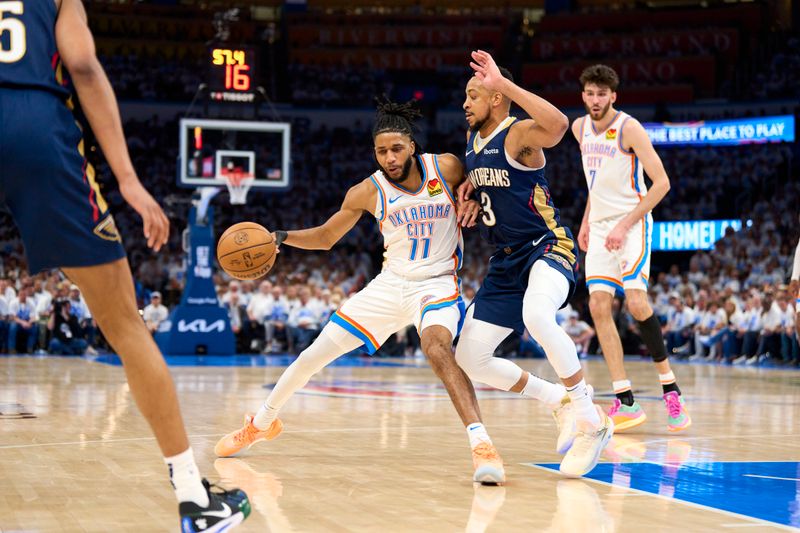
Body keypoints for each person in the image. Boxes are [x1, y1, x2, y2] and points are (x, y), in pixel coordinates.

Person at [0, 0, 249, 529]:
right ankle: (193, 498)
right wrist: (129, 182)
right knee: (124, 326)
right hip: (33, 126)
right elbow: (84, 67)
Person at [216, 99, 509, 484]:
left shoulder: (447, 167)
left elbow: (487, 175)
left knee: (437, 347)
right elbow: (325, 238)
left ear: (412, 146)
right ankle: (262, 423)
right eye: (381, 151)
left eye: (396, 149)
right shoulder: (366, 191)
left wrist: (469, 194)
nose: (389, 157)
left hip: (437, 282)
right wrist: (280, 238)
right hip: (390, 285)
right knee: (311, 356)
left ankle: (482, 446)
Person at [455, 50, 612, 478]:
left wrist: (503, 82)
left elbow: (559, 126)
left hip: (548, 245)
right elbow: (486, 176)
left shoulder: (518, 133)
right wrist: (468, 189)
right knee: (469, 356)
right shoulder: (474, 142)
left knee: (537, 315)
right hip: (506, 261)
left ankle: (590, 420)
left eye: (474, 94)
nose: (465, 103)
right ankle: (555, 400)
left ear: (497, 98)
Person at [573, 64, 691, 432]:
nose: (595, 100)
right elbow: (596, 185)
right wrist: (585, 221)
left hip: (633, 222)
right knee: (597, 304)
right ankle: (625, 401)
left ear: (613, 96)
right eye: (590, 93)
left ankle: (671, 390)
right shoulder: (579, 129)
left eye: (602, 94)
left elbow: (662, 184)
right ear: (583, 95)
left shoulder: (628, 128)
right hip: (600, 225)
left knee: (637, 302)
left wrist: (624, 225)